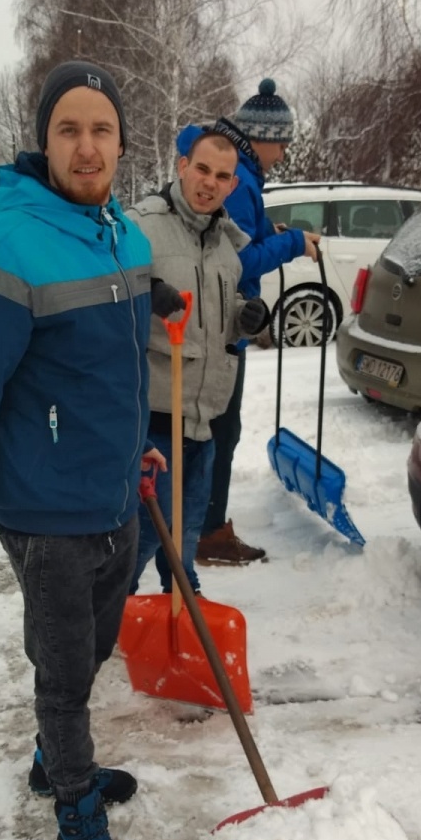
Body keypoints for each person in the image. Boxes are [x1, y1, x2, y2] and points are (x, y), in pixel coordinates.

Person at [0, 60, 173, 840]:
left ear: (122, 143)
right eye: (69, 128)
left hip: (114, 496)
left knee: (92, 652)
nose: (87, 144)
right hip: (45, 509)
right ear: (44, 140)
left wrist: (136, 448)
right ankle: (73, 803)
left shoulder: (124, 238)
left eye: (102, 128)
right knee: (63, 675)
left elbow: (118, 374)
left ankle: (53, 753)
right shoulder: (5, 244)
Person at [179, 80, 320, 566]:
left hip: (219, 319)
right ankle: (206, 532)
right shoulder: (235, 175)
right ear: (260, 136)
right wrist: (294, 243)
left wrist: (271, 232)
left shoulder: (241, 172)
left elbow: (238, 236)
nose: (283, 153)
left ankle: (198, 525)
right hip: (220, 324)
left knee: (214, 427)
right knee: (219, 429)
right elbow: (236, 259)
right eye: (281, 142)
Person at [126, 130, 269, 595]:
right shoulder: (142, 226)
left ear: (232, 185)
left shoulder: (227, 242)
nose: (209, 183)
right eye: (202, 169)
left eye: (222, 176)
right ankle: (111, 604)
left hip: (205, 418)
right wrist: (145, 293)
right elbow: (103, 293)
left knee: (185, 529)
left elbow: (218, 326)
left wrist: (245, 321)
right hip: (155, 416)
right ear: (183, 165)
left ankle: (183, 595)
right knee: (149, 530)